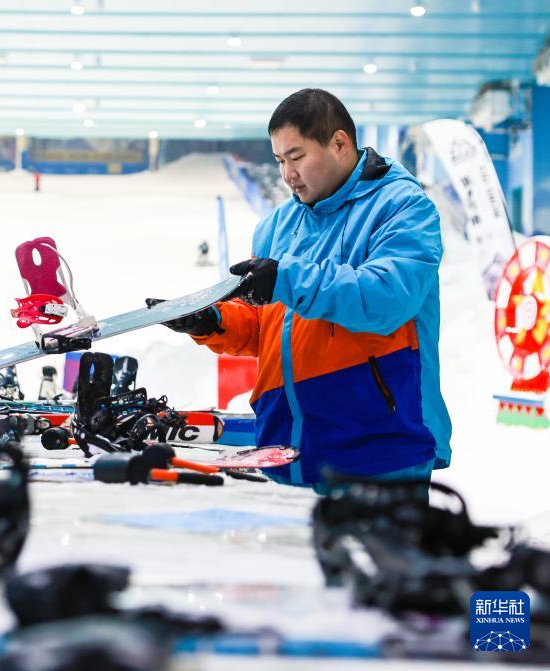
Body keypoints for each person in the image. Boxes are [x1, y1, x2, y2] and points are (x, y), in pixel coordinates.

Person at [156, 88, 451, 492]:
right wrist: (213, 321)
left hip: (379, 452)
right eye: (279, 160)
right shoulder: (277, 226)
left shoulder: (402, 208)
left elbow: (387, 298)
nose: (287, 174)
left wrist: (286, 279)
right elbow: (267, 328)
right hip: (287, 451)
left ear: (340, 143)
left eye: (296, 157)